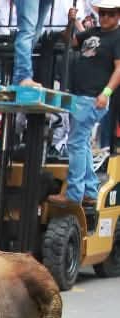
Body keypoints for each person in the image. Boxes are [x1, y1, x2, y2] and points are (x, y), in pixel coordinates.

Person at [49, 1, 120, 206]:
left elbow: (119, 69)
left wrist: (106, 92)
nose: (105, 17)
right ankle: (89, 189)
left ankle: (74, 193)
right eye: (103, 13)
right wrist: (72, 21)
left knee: (76, 143)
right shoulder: (92, 32)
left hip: (93, 96)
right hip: (82, 96)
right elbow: (70, 40)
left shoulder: (117, 37)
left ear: (117, 15)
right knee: (81, 143)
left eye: (110, 14)